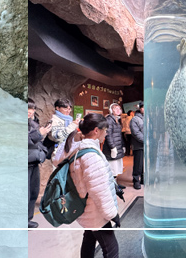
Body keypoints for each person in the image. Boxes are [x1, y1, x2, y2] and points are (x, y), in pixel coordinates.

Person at [55, 113, 120, 258]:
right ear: (97, 130)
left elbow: (56, 159)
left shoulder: (75, 147)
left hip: (84, 208)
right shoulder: (91, 156)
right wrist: (112, 214)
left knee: (89, 239)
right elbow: (99, 191)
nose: (106, 133)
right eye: (105, 130)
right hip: (95, 211)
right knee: (111, 249)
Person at [27, 98, 51, 229]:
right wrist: (39, 134)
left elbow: (39, 143)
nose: (30, 111)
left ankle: (28, 219)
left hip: (33, 162)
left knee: (33, 193)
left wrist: (43, 153)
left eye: (32, 109)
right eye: (27, 108)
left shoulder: (33, 123)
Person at [104, 103, 125, 183]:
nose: (118, 110)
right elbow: (108, 135)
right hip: (111, 148)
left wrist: (123, 146)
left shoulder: (117, 119)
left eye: (119, 108)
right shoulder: (109, 119)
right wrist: (112, 147)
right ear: (111, 110)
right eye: (115, 108)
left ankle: (116, 185)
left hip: (118, 147)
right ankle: (113, 186)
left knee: (116, 168)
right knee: (112, 168)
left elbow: (119, 135)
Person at [130, 103, 145, 189]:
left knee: (144, 164)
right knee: (138, 163)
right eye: (143, 107)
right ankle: (136, 180)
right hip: (138, 145)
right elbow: (136, 133)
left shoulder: (146, 118)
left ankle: (143, 179)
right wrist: (145, 140)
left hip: (146, 144)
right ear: (140, 108)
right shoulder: (135, 119)